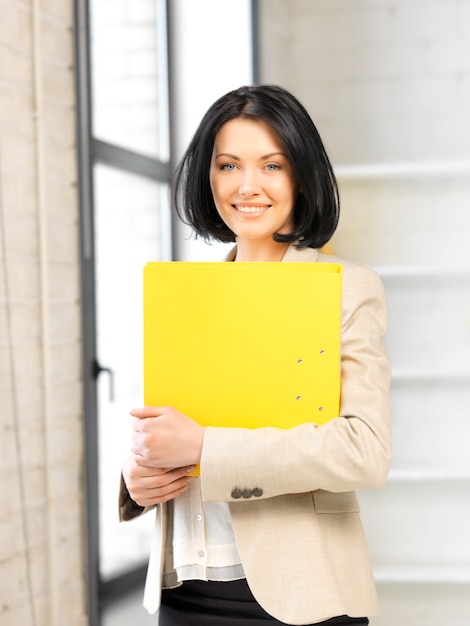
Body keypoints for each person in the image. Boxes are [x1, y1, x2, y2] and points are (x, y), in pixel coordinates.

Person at [119, 84, 391, 625]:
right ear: (208, 176)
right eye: (228, 165)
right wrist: (136, 477)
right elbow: (172, 424)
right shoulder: (184, 294)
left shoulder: (347, 288)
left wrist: (204, 448)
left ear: (301, 176)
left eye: (272, 165)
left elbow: (366, 449)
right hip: (184, 589)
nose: (247, 186)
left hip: (299, 594)